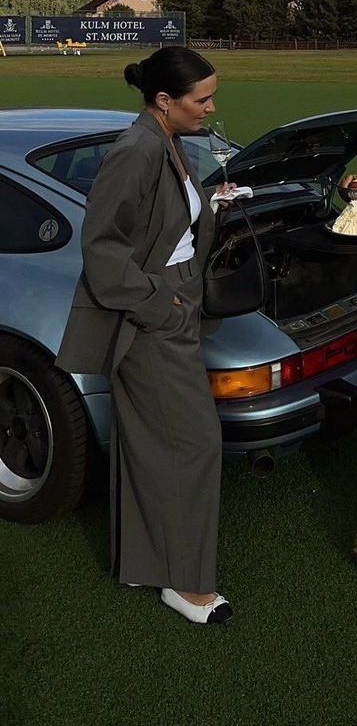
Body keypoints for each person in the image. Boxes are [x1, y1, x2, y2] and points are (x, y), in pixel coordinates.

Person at [56, 46, 234, 625]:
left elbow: (169, 219)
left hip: (174, 302)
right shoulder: (135, 150)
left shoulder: (168, 141)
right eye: (201, 100)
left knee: (150, 442)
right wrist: (163, 305)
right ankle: (184, 584)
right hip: (153, 315)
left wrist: (214, 205)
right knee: (194, 443)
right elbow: (103, 248)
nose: (211, 108)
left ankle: (142, 564)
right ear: (164, 102)